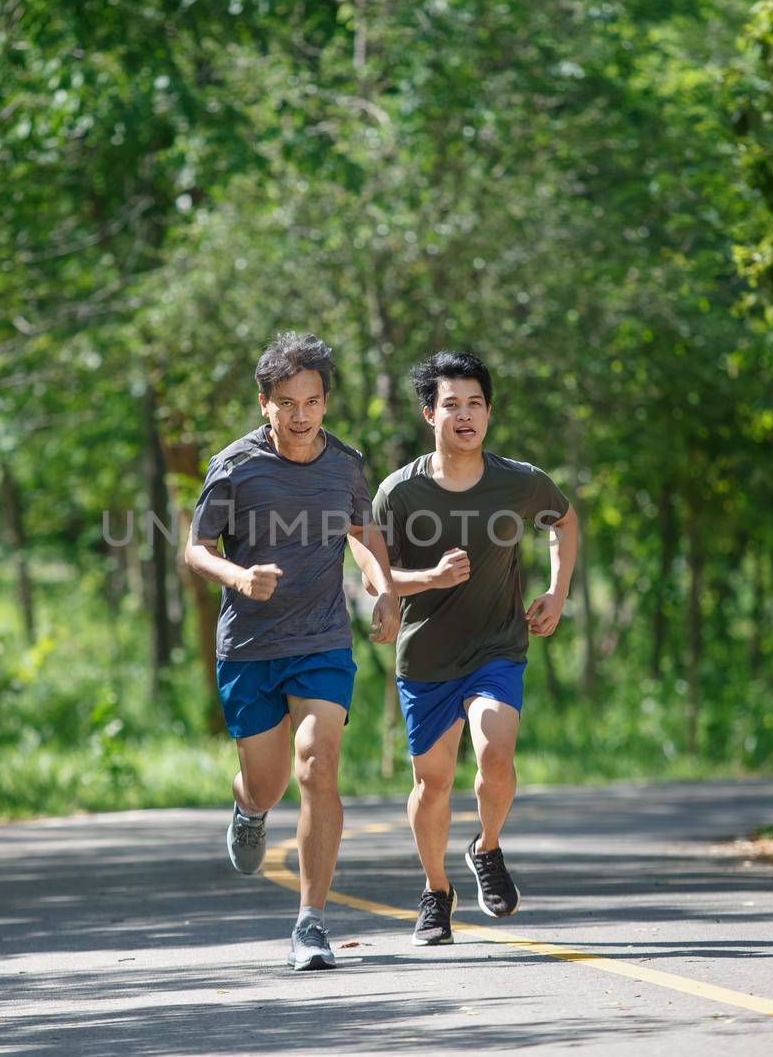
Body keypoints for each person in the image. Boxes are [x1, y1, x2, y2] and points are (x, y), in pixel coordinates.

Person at [184, 331, 399, 971]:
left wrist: (383, 588)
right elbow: (196, 549)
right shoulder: (234, 467)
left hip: (321, 638)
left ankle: (311, 922)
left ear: (326, 402)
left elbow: (362, 534)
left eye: (311, 401)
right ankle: (248, 807)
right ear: (264, 405)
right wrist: (238, 577)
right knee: (269, 782)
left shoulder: (346, 465)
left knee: (318, 762)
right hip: (249, 645)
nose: (300, 415)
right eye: (287, 403)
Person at [368, 351, 577, 946]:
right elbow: (373, 578)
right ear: (429, 413)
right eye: (452, 405)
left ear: (488, 413)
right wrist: (428, 578)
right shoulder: (398, 494)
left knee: (496, 751)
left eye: (476, 404)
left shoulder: (520, 481)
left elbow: (564, 522)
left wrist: (557, 594)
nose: (466, 416)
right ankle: (436, 892)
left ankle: (486, 848)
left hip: (497, 646)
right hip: (427, 656)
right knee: (431, 785)